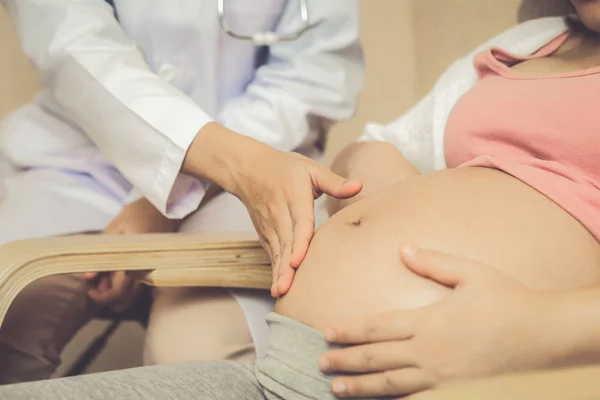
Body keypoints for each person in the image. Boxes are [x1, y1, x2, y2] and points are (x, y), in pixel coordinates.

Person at [5, 0, 600, 399]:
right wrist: (385, 197)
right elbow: (385, 145)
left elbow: (309, 81)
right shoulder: (527, 44)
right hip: (301, 364)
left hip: (458, 372)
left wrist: (537, 328)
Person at [0, 0, 363, 384]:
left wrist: (173, 192)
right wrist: (218, 163)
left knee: (199, 355)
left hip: (255, 162)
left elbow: (313, 75)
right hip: (82, 160)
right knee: (14, 317)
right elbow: (70, 41)